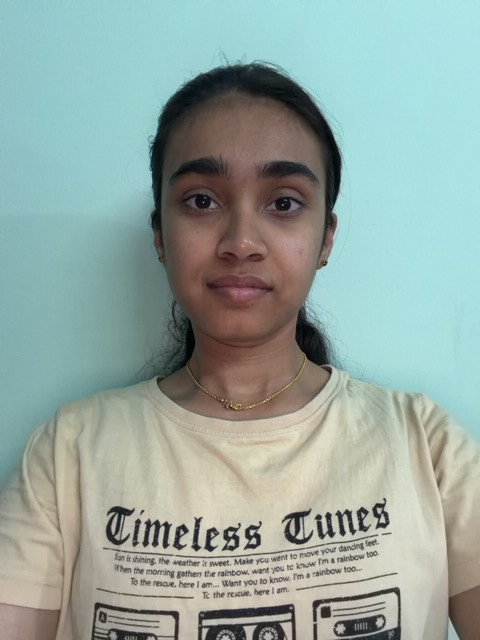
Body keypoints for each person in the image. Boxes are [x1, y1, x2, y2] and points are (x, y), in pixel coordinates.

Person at [0, 62, 479, 640]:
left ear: (326, 238)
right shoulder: (69, 453)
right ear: (160, 234)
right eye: (202, 200)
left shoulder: (425, 445)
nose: (241, 242)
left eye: (284, 203)